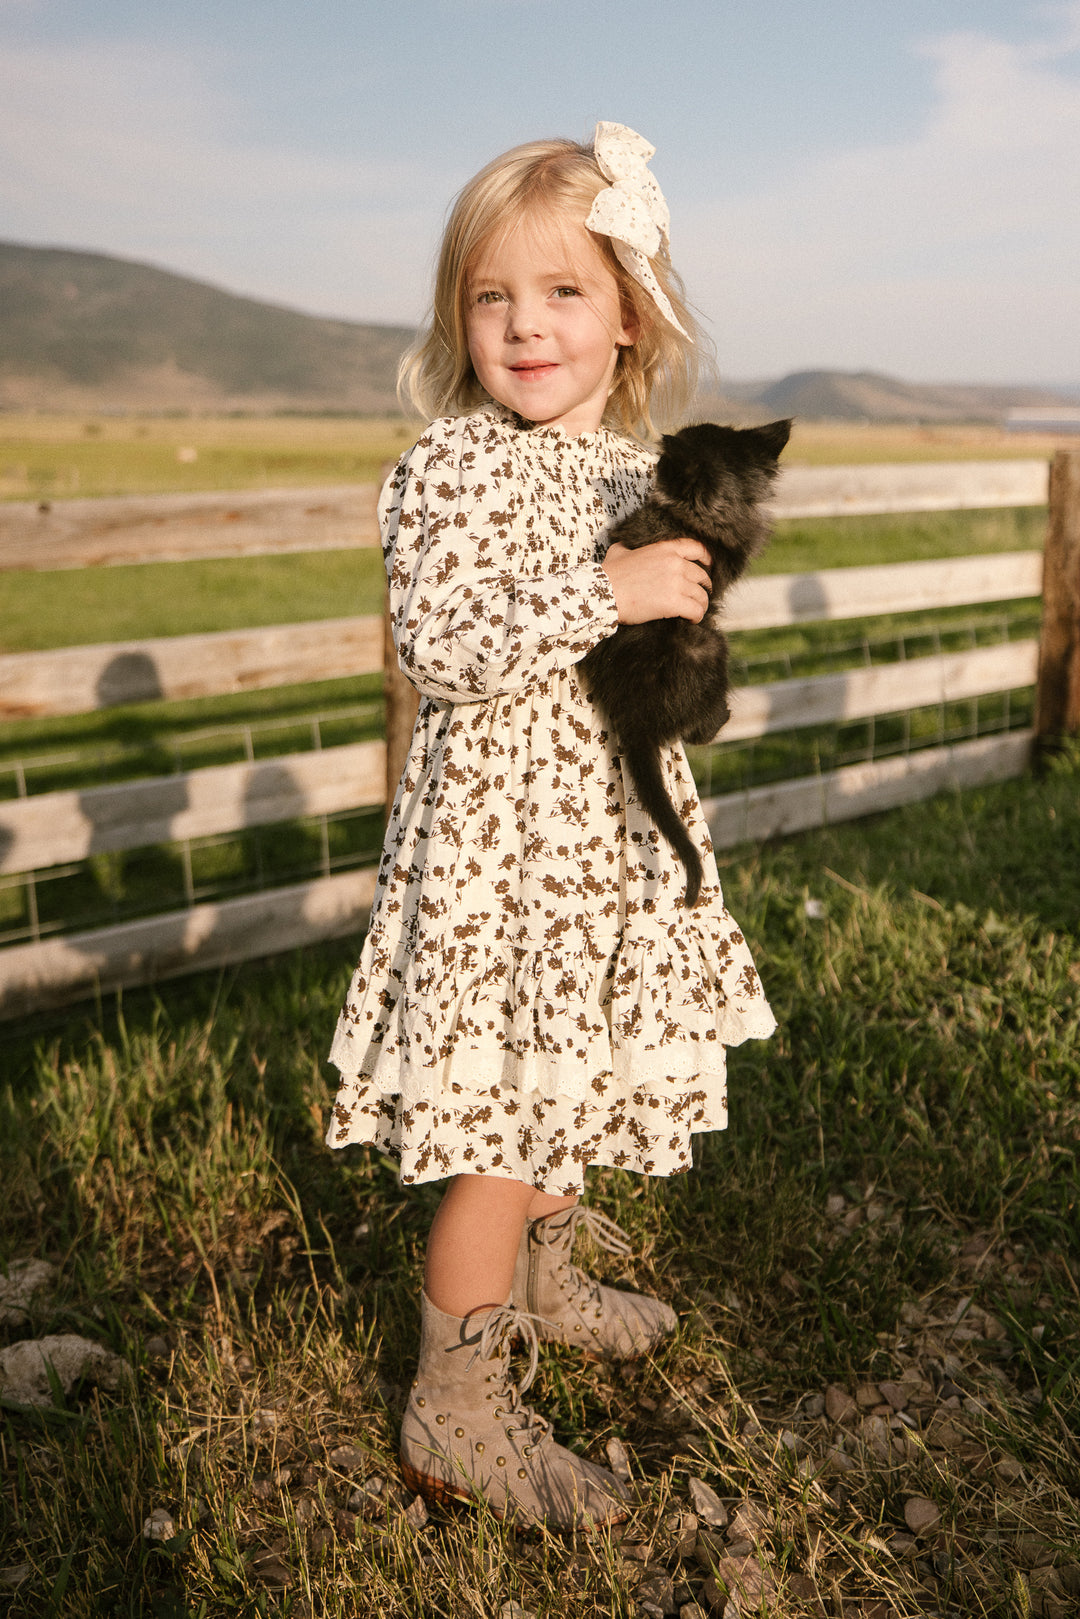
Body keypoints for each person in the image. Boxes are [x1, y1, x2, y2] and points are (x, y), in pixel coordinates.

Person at [326, 122, 775, 1529]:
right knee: (504, 1123)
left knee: (573, 1074)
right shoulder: (449, 466)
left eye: (565, 292)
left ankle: (547, 1277)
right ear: (458, 317)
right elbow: (446, 644)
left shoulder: (631, 468)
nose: (525, 326)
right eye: (492, 297)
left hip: (601, 852)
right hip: (495, 863)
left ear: (628, 310)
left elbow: (645, 645)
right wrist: (614, 594)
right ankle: (453, 1412)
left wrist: (679, 624)